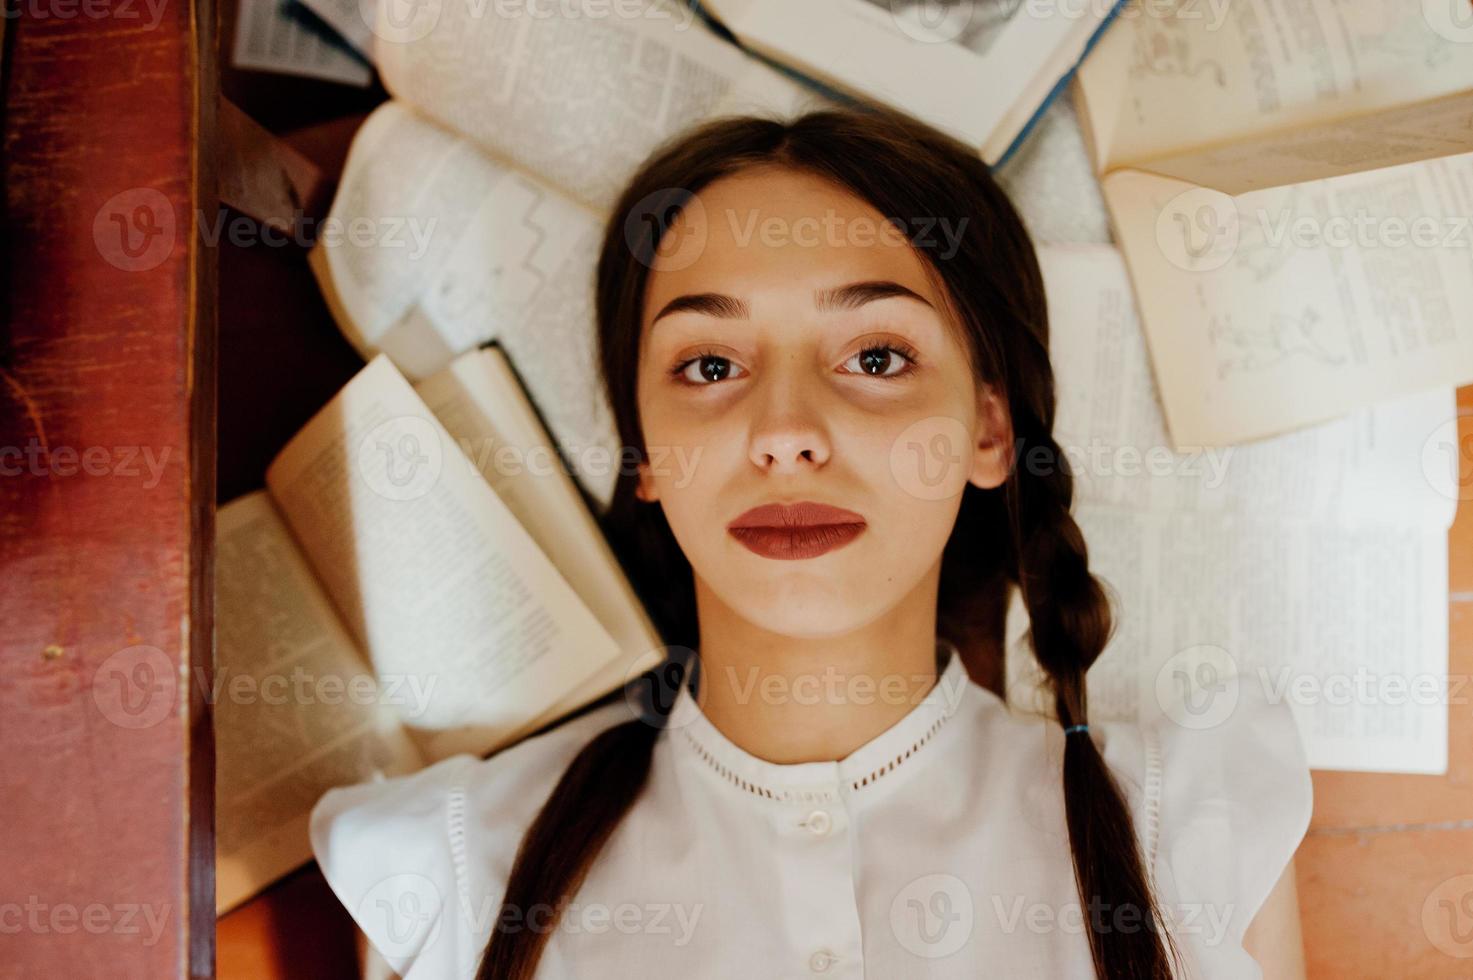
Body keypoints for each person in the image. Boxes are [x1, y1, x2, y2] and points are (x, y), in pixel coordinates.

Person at [309, 104, 1312, 979]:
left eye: (876, 356)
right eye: (709, 365)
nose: (785, 430)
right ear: (645, 454)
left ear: (988, 430)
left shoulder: (1193, 832)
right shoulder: (447, 872)